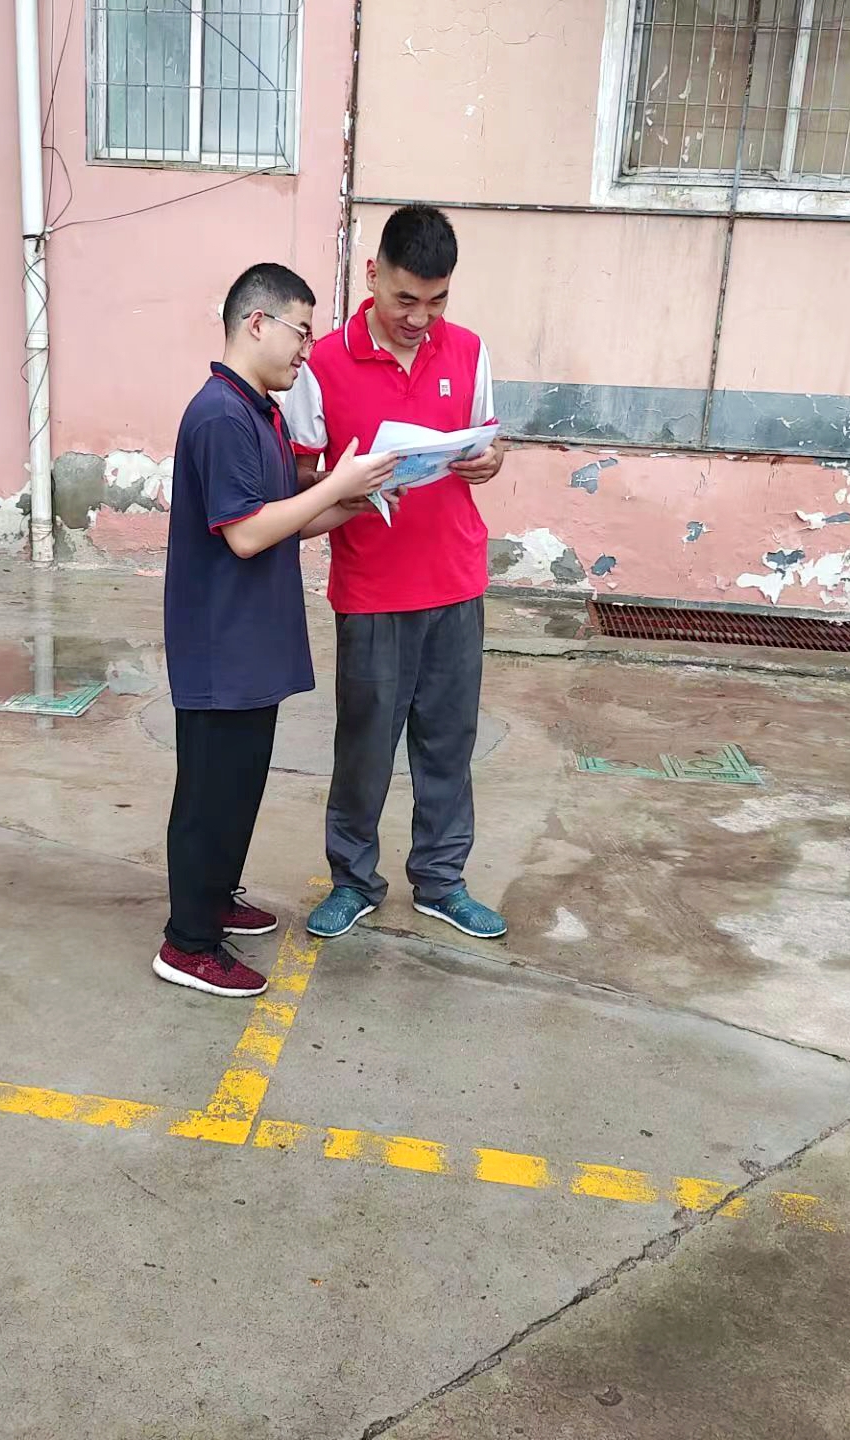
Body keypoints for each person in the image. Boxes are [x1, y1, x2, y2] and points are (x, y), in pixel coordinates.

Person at [154, 263, 397, 998]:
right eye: (302, 331)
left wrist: (349, 501)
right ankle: (188, 942)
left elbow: (283, 520)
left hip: (250, 643)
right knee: (210, 796)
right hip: (219, 645)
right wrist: (335, 486)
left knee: (238, 787)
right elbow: (248, 535)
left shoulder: (259, 411)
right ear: (256, 323)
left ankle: (215, 896)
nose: (307, 350)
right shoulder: (220, 416)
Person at [283, 205, 509, 942]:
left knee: (449, 745)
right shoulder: (323, 364)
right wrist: (349, 484)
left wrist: (489, 460)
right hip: (374, 588)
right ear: (372, 274)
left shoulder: (468, 351)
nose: (420, 318)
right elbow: (300, 473)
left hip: (456, 581)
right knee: (365, 748)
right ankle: (353, 880)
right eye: (406, 299)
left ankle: (442, 881)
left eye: (436, 301)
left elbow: (489, 443)